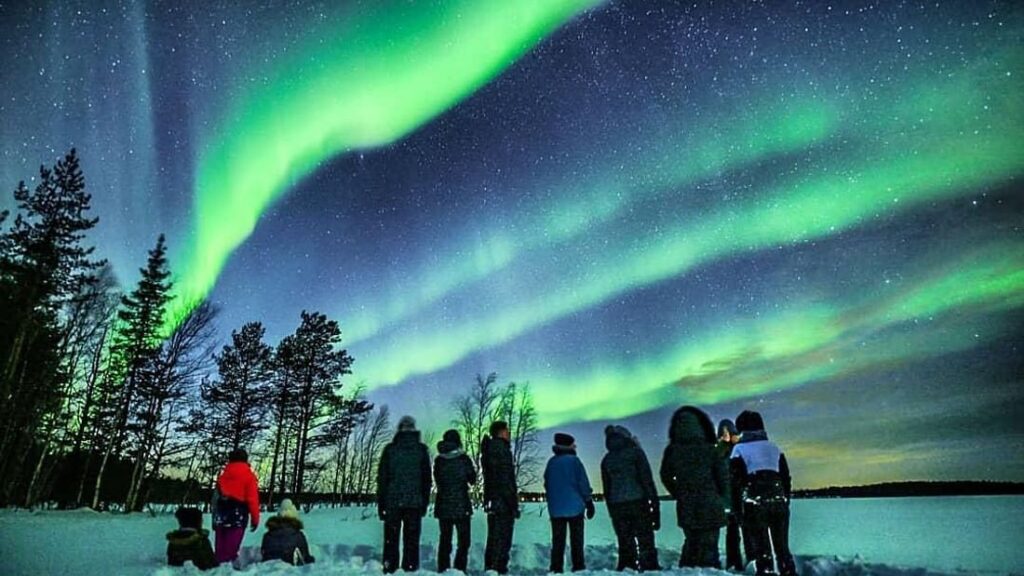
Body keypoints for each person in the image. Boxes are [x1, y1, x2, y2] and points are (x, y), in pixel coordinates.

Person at [659, 406, 727, 568]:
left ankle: (688, 570)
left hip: (687, 504)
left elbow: (665, 475)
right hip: (710, 503)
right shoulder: (710, 449)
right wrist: (720, 495)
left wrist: (678, 492)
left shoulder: (673, 450)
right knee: (710, 545)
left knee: (692, 542)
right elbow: (722, 477)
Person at [730, 410, 796, 576]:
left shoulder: (739, 449)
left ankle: (766, 572)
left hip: (755, 503)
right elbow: (785, 478)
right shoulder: (774, 448)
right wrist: (785, 500)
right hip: (778, 500)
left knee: (762, 550)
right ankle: (788, 572)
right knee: (782, 548)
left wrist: (738, 511)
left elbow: (735, 483)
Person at [601, 425, 661, 572]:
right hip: (638, 502)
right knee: (645, 537)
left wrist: (611, 509)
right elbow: (646, 480)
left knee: (624, 539)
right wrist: (654, 503)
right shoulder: (636, 454)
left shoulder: (607, 459)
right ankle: (649, 566)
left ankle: (627, 566)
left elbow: (607, 489)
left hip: (617, 505)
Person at [377, 415, 432, 573]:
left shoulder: (390, 449)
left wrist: (382, 505)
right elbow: (426, 480)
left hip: (393, 502)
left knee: (390, 540)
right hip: (414, 503)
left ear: (399, 429)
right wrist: (424, 502)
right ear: (414, 429)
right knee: (411, 541)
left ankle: (389, 569)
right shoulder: (421, 450)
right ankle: (410, 569)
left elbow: (382, 479)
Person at [544, 432, 595, 573]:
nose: (575, 446)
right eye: (573, 444)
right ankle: (578, 567)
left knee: (558, 541)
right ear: (568, 446)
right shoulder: (574, 461)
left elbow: (547, 484)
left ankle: (556, 568)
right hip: (575, 508)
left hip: (556, 509)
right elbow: (583, 483)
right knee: (576, 541)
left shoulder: (551, 462)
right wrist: (589, 501)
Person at [433, 429, 476, 572]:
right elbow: (472, 480)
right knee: (463, 541)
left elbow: (438, 480)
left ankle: (443, 568)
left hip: (443, 505)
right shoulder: (464, 459)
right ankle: (460, 569)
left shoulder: (439, 461)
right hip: (461, 505)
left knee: (445, 540)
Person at [481, 420, 519, 574]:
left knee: (494, 538)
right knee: (502, 539)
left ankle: (491, 568)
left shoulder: (491, 449)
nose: (509, 434)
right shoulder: (500, 450)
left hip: (495, 501)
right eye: (507, 431)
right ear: (501, 432)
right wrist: (512, 503)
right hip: (502, 502)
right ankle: (498, 569)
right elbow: (504, 479)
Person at [213, 448, 261, 565]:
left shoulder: (223, 476)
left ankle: (218, 567)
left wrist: (214, 518)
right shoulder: (249, 477)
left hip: (221, 513)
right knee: (232, 547)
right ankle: (229, 567)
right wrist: (255, 519)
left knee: (221, 546)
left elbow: (215, 498)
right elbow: (253, 500)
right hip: (238, 514)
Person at [718, 418, 746, 571]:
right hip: (730, 498)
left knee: (737, 531)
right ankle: (735, 562)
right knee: (734, 531)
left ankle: (738, 562)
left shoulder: (735, 450)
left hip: (735, 497)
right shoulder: (721, 451)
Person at [261, 498, 315, 565]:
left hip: (267, 567)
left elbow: (263, 552)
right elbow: (305, 556)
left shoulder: (267, 535)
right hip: (289, 568)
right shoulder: (298, 535)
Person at [166, 506, 218, 570]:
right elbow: (213, 566)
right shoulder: (202, 541)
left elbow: (171, 564)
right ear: (198, 522)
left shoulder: (173, 541)